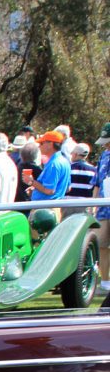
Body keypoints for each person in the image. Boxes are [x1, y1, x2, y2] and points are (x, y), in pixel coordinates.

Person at [27, 130, 71, 210]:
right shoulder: (64, 161)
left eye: (41, 143)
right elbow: (68, 188)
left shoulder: (54, 164)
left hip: (45, 209)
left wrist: (32, 182)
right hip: (54, 207)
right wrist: (36, 189)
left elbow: (49, 190)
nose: (39, 146)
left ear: (50, 144)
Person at [91, 123, 110, 287]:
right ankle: (105, 281)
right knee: (101, 244)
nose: (105, 145)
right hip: (103, 208)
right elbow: (97, 182)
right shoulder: (104, 155)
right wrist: (93, 204)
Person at [66, 143, 96, 216]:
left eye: (72, 153)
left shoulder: (68, 168)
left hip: (67, 204)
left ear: (75, 154)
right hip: (85, 205)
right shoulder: (94, 170)